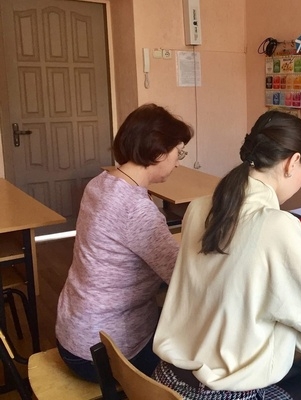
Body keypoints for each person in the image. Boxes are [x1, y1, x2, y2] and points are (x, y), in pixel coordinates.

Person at [152, 110, 301, 400]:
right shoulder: (278, 226)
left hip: (167, 378)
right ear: (292, 163)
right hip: (216, 394)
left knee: (296, 375)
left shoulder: (199, 206)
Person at [55, 103, 194, 382]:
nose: (178, 162)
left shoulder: (100, 183)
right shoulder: (135, 208)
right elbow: (183, 277)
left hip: (73, 332)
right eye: (178, 152)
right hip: (103, 352)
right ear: (158, 152)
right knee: (199, 349)